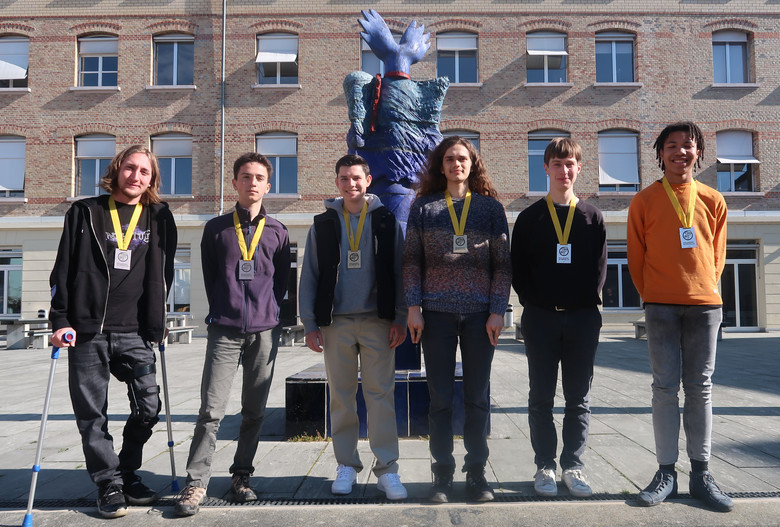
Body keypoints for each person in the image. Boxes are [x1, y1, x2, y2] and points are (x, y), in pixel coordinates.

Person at [49, 145, 177, 518]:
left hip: (136, 332)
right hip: (87, 330)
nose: (136, 176)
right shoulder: (85, 212)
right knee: (92, 415)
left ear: (152, 179)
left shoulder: (159, 216)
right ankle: (109, 484)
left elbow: (164, 272)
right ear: (116, 170)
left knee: (149, 407)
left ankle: (125, 470)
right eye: (130, 168)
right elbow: (62, 272)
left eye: (144, 172)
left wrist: (158, 317)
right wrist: (60, 322)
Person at [175, 153, 290, 516]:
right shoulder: (216, 229)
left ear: (268, 186)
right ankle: (196, 483)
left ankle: (242, 475)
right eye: (245, 176)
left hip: (265, 332)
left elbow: (281, 282)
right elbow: (211, 277)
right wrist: (225, 310)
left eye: (259, 177)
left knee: (254, 411)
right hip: (224, 330)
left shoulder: (279, 231)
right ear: (235, 183)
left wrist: (268, 315)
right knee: (211, 410)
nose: (252, 182)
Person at [627, 121, 732, 512]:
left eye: (688, 145)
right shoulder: (643, 201)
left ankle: (701, 473)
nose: (680, 152)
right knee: (664, 389)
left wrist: (703, 287)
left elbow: (717, 257)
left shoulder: (713, 199)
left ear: (698, 153)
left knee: (701, 388)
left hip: (705, 305)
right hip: (660, 307)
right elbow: (636, 259)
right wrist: (653, 294)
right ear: (660, 155)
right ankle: (666, 473)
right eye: (671, 146)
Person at [403, 136, 512, 503]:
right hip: (435, 315)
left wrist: (498, 310)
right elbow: (410, 263)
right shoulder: (424, 207)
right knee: (440, 400)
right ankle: (442, 475)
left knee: (478, 397)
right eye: (449, 158)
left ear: (472, 163)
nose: (456, 164)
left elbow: (502, 266)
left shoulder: (490, 210)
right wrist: (414, 308)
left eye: (462, 158)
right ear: (441, 165)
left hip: (481, 315)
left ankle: (477, 473)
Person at [298, 154, 408, 500]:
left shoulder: (388, 221)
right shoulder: (324, 224)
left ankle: (387, 470)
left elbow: (401, 274)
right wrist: (310, 323)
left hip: (378, 321)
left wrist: (401, 318)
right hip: (336, 325)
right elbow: (310, 274)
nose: (351, 184)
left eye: (356, 178)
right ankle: (346, 464)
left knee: (380, 397)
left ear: (368, 180)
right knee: (342, 398)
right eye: (344, 178)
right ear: (337, 183)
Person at [510, 138, 606, 498]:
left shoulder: (592, 217)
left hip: (582, 319)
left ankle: (574, 465)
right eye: (557, 164)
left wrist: (584, 306)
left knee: (578, 398)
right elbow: (517, 270)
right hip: (541, 319)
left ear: (579, 169)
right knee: (541, 398)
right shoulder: (530, 217)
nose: (564, 171)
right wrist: (537, 303)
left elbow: (600, 269)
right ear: (545, 168)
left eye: (570, 165)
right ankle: (545, 466)